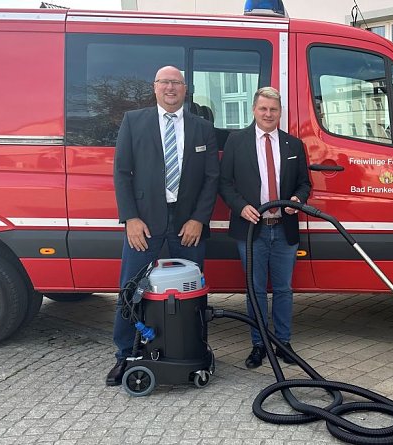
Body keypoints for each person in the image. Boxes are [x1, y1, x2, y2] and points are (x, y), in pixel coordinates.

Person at [106, 66, 220, 386]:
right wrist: (130, 218)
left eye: (176, 83)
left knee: (193, 291)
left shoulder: (202, 127)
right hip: (144, 222)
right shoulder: (134, 121)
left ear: (186, 89)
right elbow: (122, 173)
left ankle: (195, 351)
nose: (171, 88)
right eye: (165, 82)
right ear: (155, 87)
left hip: (189, 224)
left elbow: (212, 179)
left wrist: (199, 218)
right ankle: (124, 356)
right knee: (131, 290)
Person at [219, 86, 311, 369]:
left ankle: (283, 342)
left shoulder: (294, 145)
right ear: (254, 111)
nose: (268, 114)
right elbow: (224, 183)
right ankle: (258, 345)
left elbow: (305, 183)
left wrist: (298, 199)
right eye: (263, 109)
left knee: (283, 289)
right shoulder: (236, 141)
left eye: (273, 109)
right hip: (251, 229)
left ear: (280, 112)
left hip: (284, 228)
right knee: (255, 290)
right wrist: (240, 206)